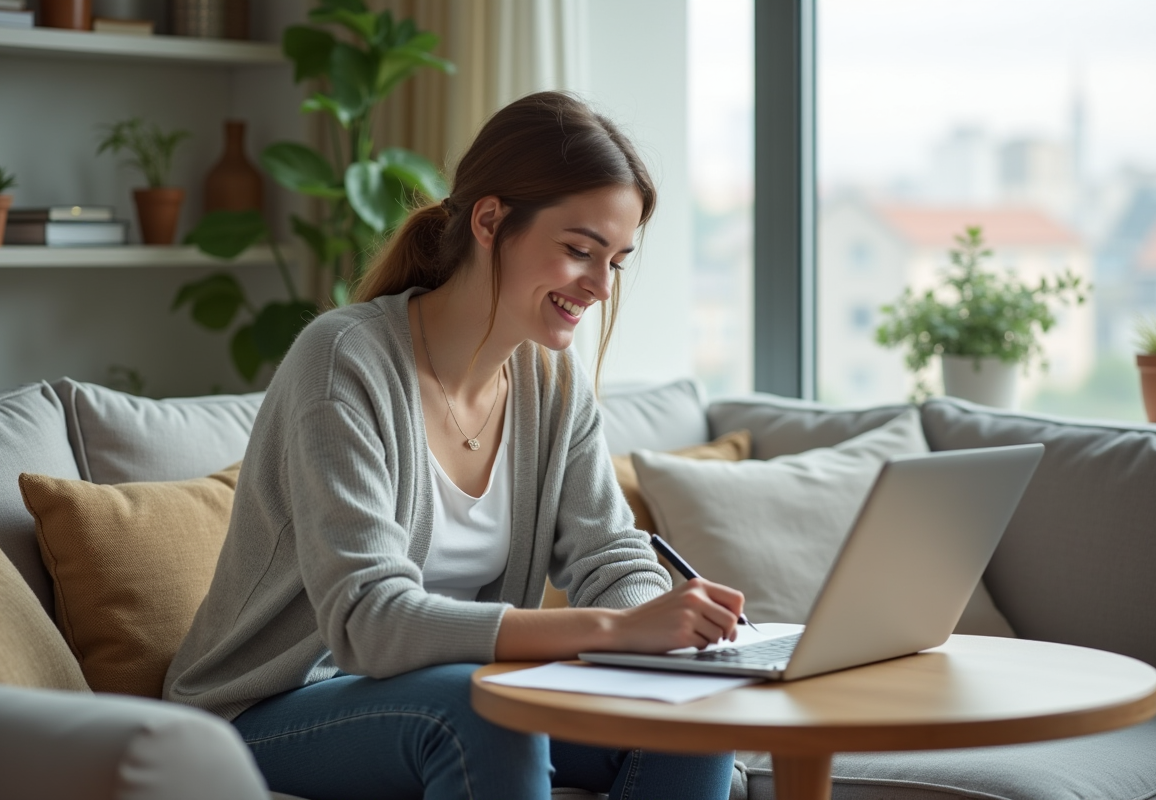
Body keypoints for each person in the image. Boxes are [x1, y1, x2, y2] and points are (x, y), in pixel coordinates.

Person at [164, 90, 746, 800]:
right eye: (578, 251)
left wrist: (666, 641)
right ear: (491, 220)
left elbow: (609, 553)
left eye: (616, 261)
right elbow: (369, 623)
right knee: (485, 713)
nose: (598, 285)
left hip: (438, 696)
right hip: (268, 709)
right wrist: (615, 629)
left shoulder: (552, 385)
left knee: (695, 711)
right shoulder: (342, 361)